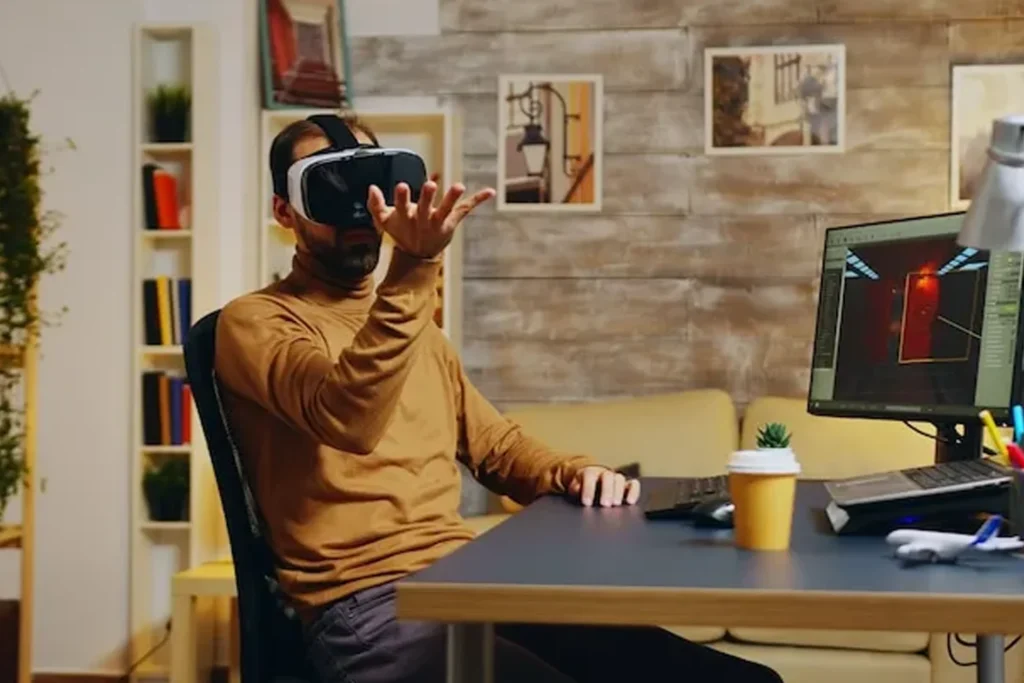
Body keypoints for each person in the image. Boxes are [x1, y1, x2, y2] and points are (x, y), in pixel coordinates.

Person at [214, 113, 783, 683]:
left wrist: (573, 472)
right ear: (284, 211)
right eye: (328, 190)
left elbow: (496, 447)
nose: (358, 211)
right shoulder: (257, 323)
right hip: (369, 609)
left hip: (470, 582)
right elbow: (347, 417)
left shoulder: (417, 331)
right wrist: (414, 268)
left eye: (369, 185)